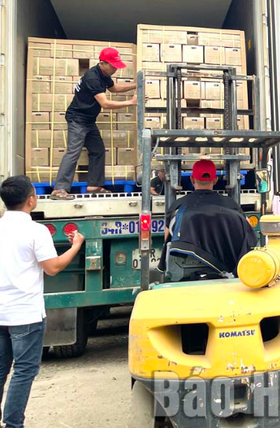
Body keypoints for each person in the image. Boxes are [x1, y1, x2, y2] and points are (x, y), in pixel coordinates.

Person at [0, 175, 85, 428]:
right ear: (31, 200)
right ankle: (13, 424)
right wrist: (76, 246)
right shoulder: (36, 231)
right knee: (24, 371)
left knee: (1, 370)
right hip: (25, 314)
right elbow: (52, 268)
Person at [51, 48, 137, 200]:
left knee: (98, 150)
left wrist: (136, 85)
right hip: (77, 119)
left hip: (88, 120)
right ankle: (59, 189)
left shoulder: (103, 75)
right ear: (102, 63)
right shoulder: (93, 77)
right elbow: (105, 104)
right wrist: (131, 102)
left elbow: (114, 88)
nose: (116, 69)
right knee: (73, 152)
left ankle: (94, 186)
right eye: (113, 66)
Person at [164, 160, 243, 240]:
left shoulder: (178, 207)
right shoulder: (231, 206)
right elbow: (247, 234)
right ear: (215, 180)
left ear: (192, 179)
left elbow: (168, 240)